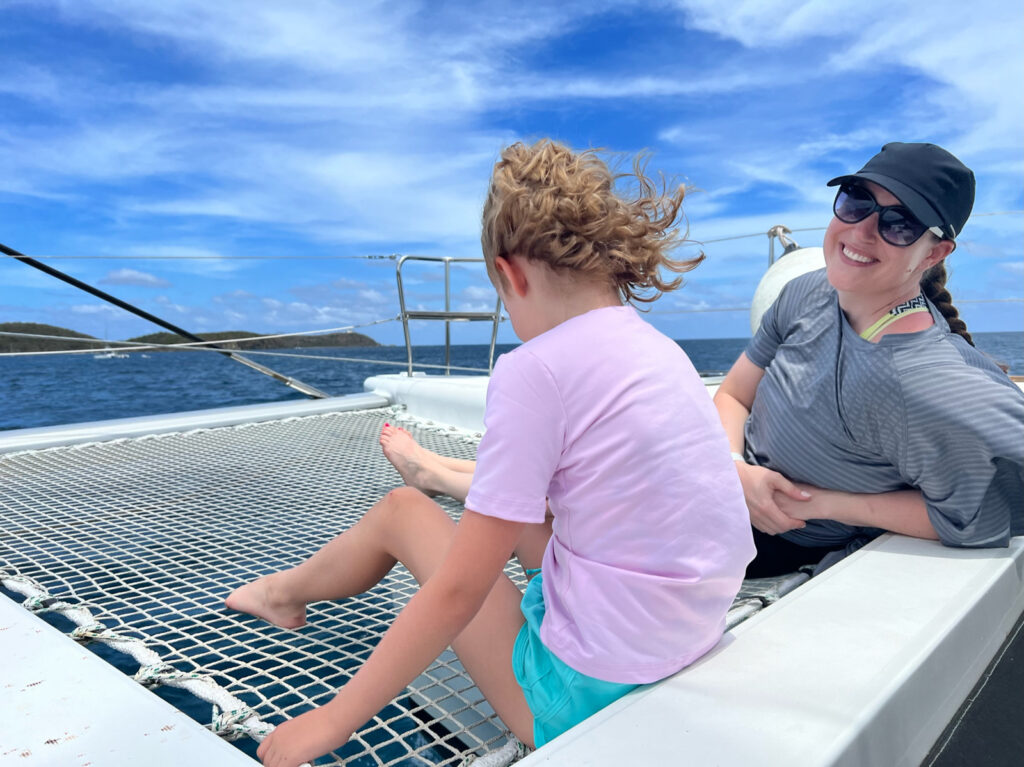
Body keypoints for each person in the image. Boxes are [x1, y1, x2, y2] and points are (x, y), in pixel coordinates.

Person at [226, 139, 755, 767]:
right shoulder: (663, 352)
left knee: (403, 511)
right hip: (686, 637)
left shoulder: (535, 370)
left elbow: (459, 592)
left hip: (580, 697)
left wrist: (334, 722)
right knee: (526, 504)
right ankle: (309, 576)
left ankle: (285, 595)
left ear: (510, 274)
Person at [713, 142, 1024, 577]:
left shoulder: (936, 387)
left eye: (900, 224)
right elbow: (732, 394)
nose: (862, 231)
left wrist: (826, 504)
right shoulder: (805, 291)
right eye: (857, 202)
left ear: (934, 254)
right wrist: (735, 470)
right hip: (720, 494)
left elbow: (974, 517)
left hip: (782, 547)